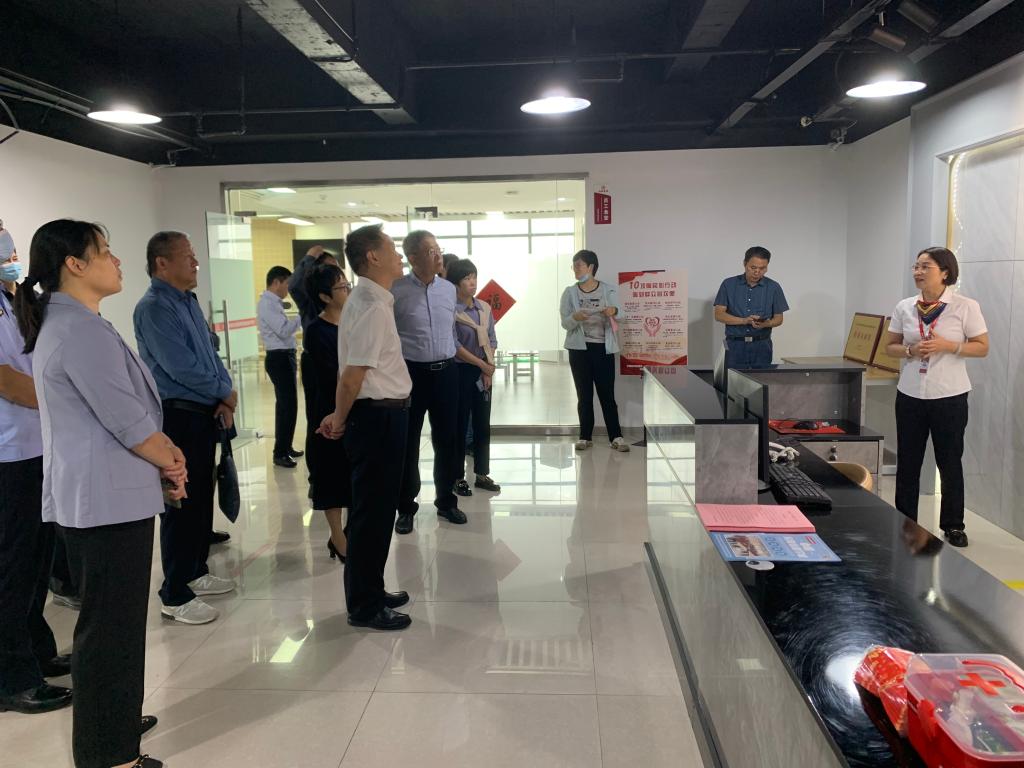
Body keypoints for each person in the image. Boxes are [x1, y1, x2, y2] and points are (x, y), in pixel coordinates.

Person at [16, 219, 185, 768]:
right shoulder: (78, 330)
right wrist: (171, 458)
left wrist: (162, 456)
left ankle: (112, 722)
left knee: (113, 627)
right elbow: (127, 421)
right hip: (106, 502)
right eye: (106, 251)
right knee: (110, 632)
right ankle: (109, 754)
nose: (116, 261)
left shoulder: (76, 322)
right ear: (75, 264)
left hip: (107, 495)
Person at [134, 231, 237, 626]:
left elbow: (211, 355)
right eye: (187, 256)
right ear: (162, 263)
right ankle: (175, 593)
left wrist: (224, 396)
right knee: (179, 502)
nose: (195, 263)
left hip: (203, 411)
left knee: (200, 497)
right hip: (178, 415)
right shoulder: (154, 308)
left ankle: (196, 571)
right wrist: (224, 392)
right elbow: (181, 368)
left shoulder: (188, 302)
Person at [319, 224, 412, 631]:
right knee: (371, 515)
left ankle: (371, 589)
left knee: (375, 512)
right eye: (392, 248)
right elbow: (352, 376)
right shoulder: (372, 305)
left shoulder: (372, 300)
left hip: (381, 415)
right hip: (376, 418)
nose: (399, 255)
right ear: (372, 256)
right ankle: (364, 605)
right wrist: (339, 419)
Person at [0, 224, 72, 715]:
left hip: (33, 448)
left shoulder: (10, 300)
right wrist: (61, 400)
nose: (9, 247)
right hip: (8, 455)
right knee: (12, 567)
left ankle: (36, 652)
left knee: (36, 562)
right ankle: (13, 679)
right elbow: (7, 379)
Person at [884, 247, 989, 548]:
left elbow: (982, 347)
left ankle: (953, 525)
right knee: (908, 461)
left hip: (949, 394)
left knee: (949, 460)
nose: (917, 272)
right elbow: (890, 346)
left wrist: (948, 346)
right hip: (910, 393)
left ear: (945, 272)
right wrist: (910, 350)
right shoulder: (905, 306)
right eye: (916, 266)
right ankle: (905, 521)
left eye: (925, 267)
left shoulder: (964, 306)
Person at [391, 230, 470, 534]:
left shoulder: (448, 290)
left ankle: (446, 501)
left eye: (438, 248)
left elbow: (451, 331)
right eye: (431, 250)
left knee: (447, 440)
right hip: (411, 373)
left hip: (446, 373)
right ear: (413, 258)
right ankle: (405, 507)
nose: (438, 255)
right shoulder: (396, 290)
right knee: (408, 442)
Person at [303, 262, 352, 561]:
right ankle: (337, 536)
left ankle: (349, 532)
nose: (347, 290)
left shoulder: (354, 322)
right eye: (341, 287)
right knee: (331, 475)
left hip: (356, 406)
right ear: (324, 296)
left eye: (347, 285)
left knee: (353, 476)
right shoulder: (317, 331)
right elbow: (331, 375)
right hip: (329, 411)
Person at [559, 249, 629, 453]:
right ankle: (585, 436)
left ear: (591, 267)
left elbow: (622, 315)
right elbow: (565, 323)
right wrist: (575, 318)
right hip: (578, 350)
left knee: (607, 395)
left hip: (603, 349)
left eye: (579, 265)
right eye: (573, 266)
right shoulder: (569, 292)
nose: (575, 269)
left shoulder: (608, 290)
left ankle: (616, 436)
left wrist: (614, 311)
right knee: (584, 395)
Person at [446, 258, 500, 495]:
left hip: (483, 371)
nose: (473, 282)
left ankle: (482, 474)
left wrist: (488, 367)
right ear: (456, 284)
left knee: (482, 424)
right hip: (461, 371)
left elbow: (492, 339)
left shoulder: (484, 308)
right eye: (467, 278)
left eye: (474, 277)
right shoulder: (451, 311)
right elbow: (455, 346)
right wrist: (482, 365)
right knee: (459, 425)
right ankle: (457, 477)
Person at [289, 246, 341, 434]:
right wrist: (310, 257)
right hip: (316, 360)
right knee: (319, 412)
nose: (335, 274)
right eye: (329, 270)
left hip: (339, 356)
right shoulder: (310, 300)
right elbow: (294, 286)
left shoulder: (343, 303)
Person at [713, 246, 789, 369]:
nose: (757, 272)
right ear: (745, 264)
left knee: (761, 379)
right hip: (734, 345)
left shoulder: (774, 287)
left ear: (767, 267)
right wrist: (744, 321)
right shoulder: (728, 284)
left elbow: (779, 319)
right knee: (732, 380)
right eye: (753, 267)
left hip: (762, 346)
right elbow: (719, 315)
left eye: (762, 268)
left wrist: (766, 324)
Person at [258, 265, 303, 468]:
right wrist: (301, 316)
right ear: (276, 282)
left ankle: (285, 447)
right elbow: (284, 331)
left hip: (283, 357)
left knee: (285, 406)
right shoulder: (268, 304)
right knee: (288, 406)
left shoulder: (273, 303)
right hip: (279, 358)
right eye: (287, 284)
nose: (288, 288)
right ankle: (280, 453)